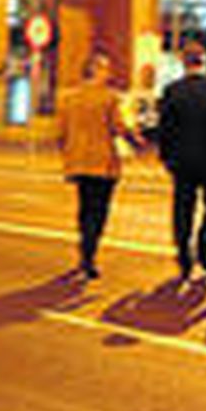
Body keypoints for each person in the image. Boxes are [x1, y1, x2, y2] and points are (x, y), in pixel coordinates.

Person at [158, 44, 206, 280]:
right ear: (204, 61)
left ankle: (183, 254)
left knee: (183, 207)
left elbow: (165, 128)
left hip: (181, 161)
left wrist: (166, 157)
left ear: (183, 62)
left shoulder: (172, 90)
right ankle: (204, 248)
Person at [57, 53, 131, 279]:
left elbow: (61, 133)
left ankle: (84, 249)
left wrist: (68, 153)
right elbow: (118, 127)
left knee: (85, 207)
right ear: (96, 70)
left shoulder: (69, 98)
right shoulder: (109, 98)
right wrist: (136, 138)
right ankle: (89, 255)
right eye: (105, 68)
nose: (109, 73)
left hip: (79, 161)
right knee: (99, 211)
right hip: (103, 162)